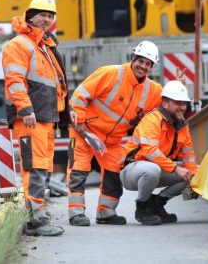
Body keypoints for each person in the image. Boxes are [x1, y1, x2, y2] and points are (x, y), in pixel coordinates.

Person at [67, 41, 184, 226]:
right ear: (133, 58)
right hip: (85, 132)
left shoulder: (152, 89)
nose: (143, 66)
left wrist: (178, 86)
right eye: (140, 61)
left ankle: (105, 213)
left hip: (112, 141)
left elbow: (168, 104)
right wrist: (79, 122)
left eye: (148, 63)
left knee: (113, 173)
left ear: (151, 67)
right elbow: (79, 96)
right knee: (79, 170)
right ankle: (76, 213)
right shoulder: (110, 73)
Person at [2, 0, 70, 237]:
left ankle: (39, 215)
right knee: (35, 167)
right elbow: (15, 80)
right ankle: (36, 222)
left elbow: (55, 85)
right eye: (42, 14)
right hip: (32, 117)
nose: (47, 19)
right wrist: (26, 108)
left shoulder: (44, 46)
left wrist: (64, 111)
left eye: (51, 16)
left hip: (46, 117)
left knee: (43, 166)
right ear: (30, 16)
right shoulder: (19, 45)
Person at [119, 80, 198, 225]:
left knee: (195, 172)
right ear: (165, 103)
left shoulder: (182, 125)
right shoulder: (153, 119)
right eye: (177, 103)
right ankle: (142, 207)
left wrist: (194, 180)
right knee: (153, 169)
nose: (182, 107)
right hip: (132, 170)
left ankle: (157, 203)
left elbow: (189, 157)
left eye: (184, 103)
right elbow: (150, 151)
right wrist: (176, 169)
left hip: (157, 169)